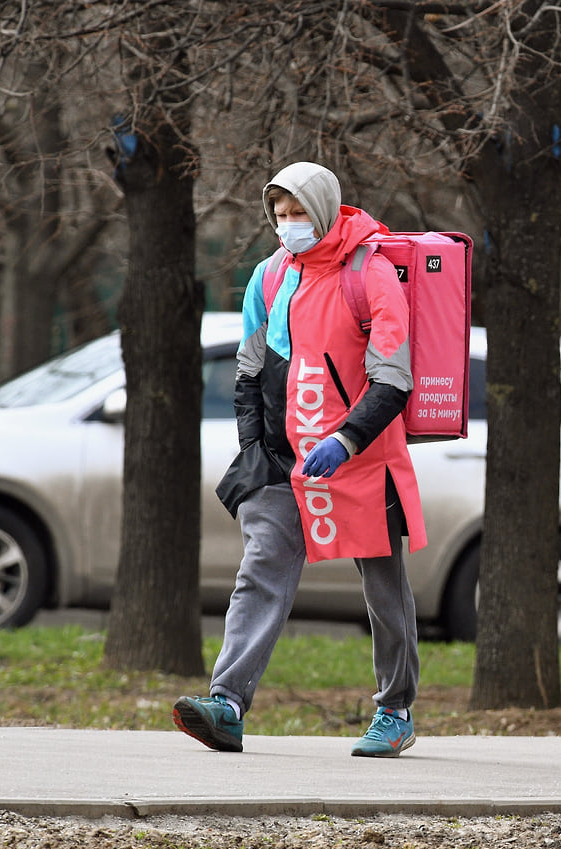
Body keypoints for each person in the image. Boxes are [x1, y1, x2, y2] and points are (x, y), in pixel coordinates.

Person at [173, 161, 427, 758]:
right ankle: (227, 704)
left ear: (327, 210)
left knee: (384, 589)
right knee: (259, 570)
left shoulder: (373, 273)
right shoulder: (267, 278)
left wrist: (346, 440)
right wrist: (253, 448)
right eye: (280, 216)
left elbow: (392, 379)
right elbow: (249, 368)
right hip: (284, 459)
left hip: (362, 459)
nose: (289, 226)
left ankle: (395, 709)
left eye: (299, 215)